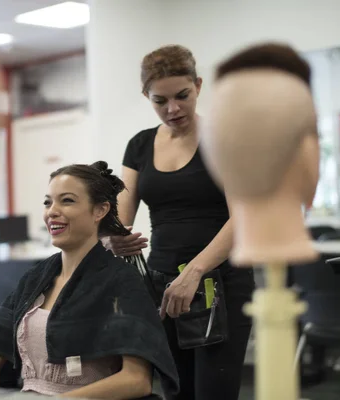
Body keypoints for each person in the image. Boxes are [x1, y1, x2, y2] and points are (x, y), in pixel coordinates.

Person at [103, 45, 255, 400]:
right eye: (160, 101)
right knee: (176, 392)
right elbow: (120, 219)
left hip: (220, 284)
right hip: (161, 287)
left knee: (213, 392)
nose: (172, 109)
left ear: (198, 86)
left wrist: (195, 271)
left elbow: (243, 217)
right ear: (146, 96)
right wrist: (111, 238)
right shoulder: (140, 145)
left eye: (182, 96)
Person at [0, 161, 178, 399]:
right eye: (48, 202)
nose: (52, 211)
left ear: (100, 210)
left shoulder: (121, 281)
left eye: (67, 200)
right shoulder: (35, 278)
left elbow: (137, 380)